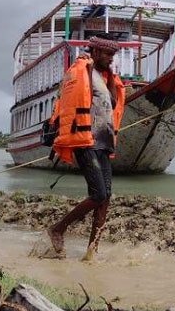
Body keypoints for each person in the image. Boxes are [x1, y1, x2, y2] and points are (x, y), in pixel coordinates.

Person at [46, 36, 125, 262]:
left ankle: (92, 251)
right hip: (86, 141)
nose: (110, 59)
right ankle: (58, 228)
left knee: (106, 197)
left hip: (104, 142)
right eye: (107, 54)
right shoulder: (85, 71)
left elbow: (110, 101)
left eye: (113, 56)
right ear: (96, 52)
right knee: (98, 193)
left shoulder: (105, 76)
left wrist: (110, 76)